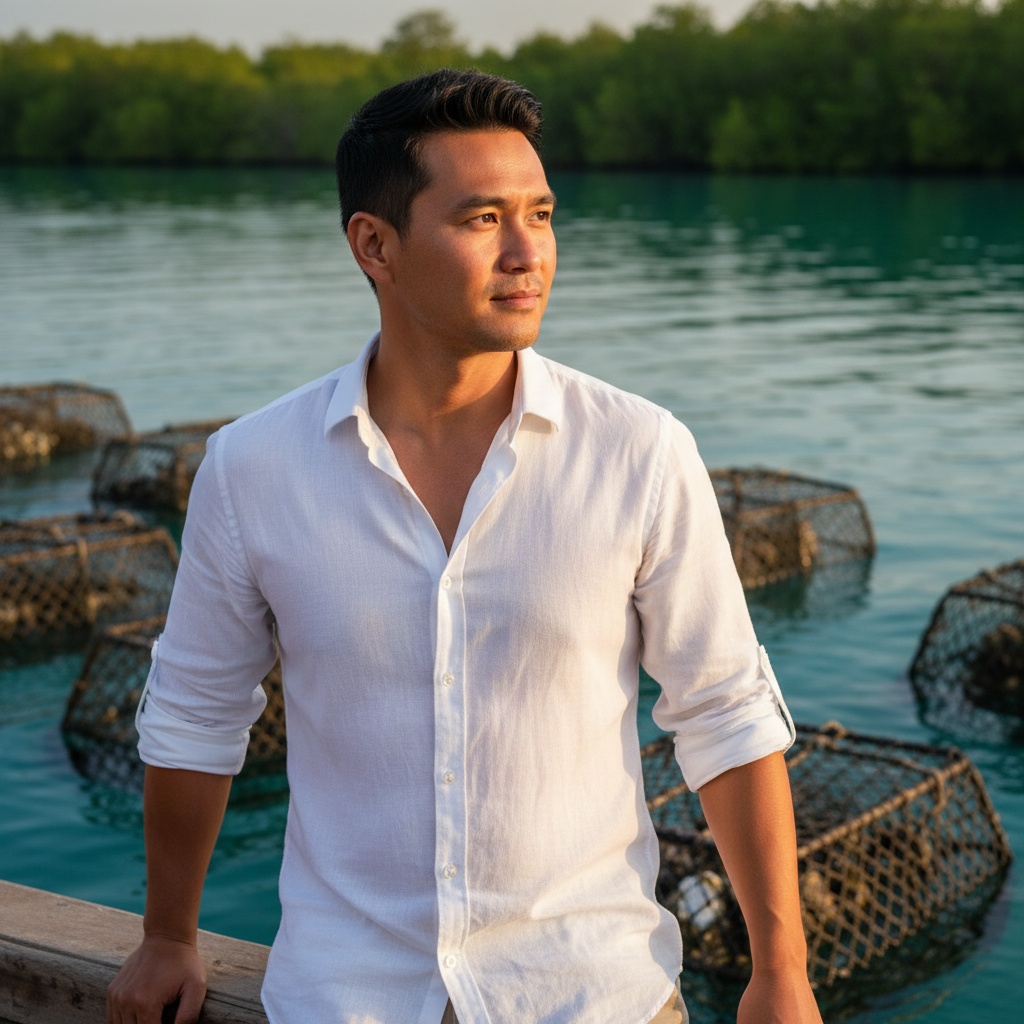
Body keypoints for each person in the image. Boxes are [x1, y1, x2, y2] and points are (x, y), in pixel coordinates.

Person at [107, 69, 823, 1024]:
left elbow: (725, 714)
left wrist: (781, 972)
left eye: (541, 214)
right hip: (345, 996)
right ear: (375, 245)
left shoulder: (640, 451)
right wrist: (167, 936)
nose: (528, 253)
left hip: (591, 993)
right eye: (483, 219)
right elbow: (196, 715)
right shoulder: (251, 468)